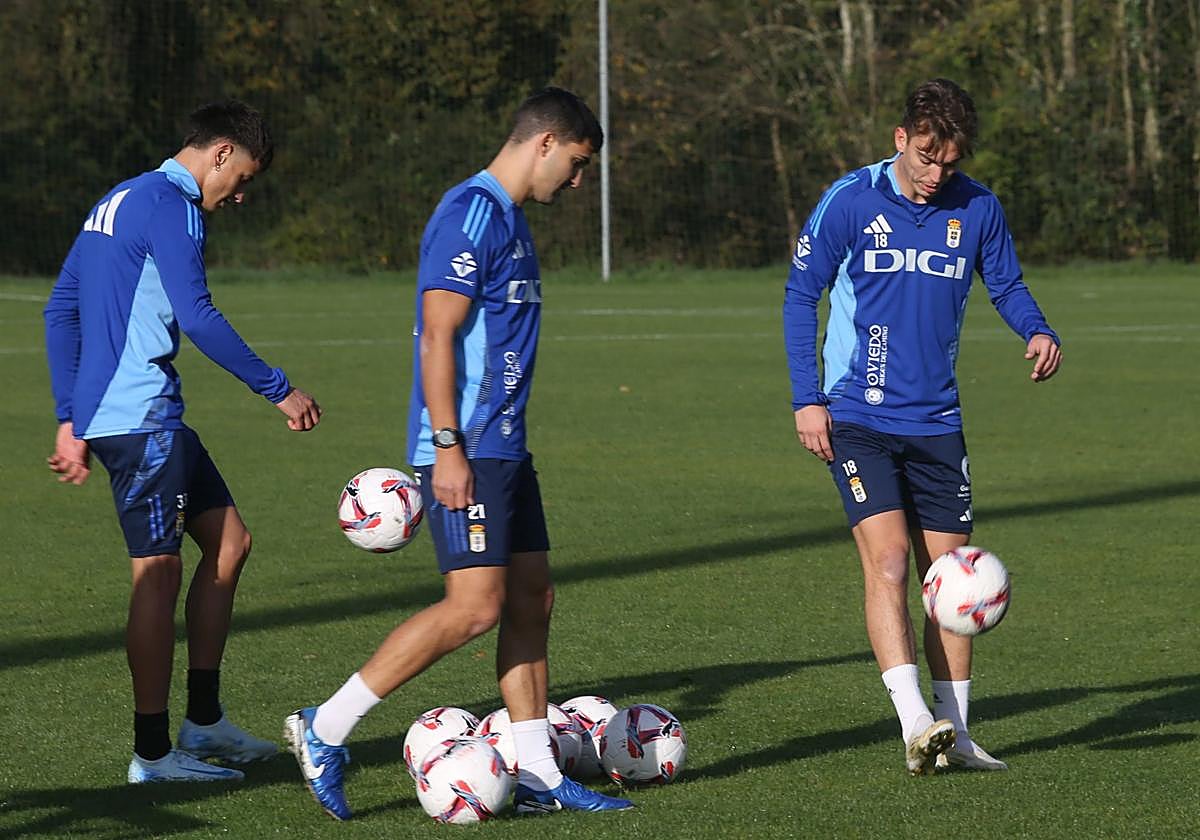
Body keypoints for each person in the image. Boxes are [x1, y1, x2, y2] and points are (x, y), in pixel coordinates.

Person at [284, 86, 632, 820]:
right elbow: (437, 333)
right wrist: (446, 447)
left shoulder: (511, 221)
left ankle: (537, 771)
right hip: (465, 447)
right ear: (544, 142)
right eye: (575, 164)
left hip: (507, 446)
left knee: (532, 598)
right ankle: (325, 726)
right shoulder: (472, 214)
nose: (576, 182)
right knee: (473, 608)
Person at [783, 78, 1061, 776]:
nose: (937, 174)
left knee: (952, 578)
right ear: (900, 139)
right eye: (926, 156)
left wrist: (1035, 329)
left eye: (951, 161)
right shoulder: (850, 200)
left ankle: (957, 737)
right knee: (889, 563)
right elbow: (800, 294)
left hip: (937, 420)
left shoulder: (977, 207)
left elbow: (1006, 283)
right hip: (857, 415)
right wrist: (806, 398)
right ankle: (915, 721)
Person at [43, 100, 323, 784]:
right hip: (140, 420)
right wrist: (276, 387)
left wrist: (70, 416)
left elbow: (61, 309)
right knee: (157, 573)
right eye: (242, 174)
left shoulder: (119, 197)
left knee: (230, 544)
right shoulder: (173, 205)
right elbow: (196, 315)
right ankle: (152, 756)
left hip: (141, 417)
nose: (241, 192)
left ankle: (204, 723)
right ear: (220, 153)